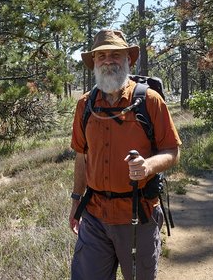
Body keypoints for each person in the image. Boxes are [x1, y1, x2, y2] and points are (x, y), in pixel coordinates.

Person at [68, 29, 182, 280]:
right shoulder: (85, 105)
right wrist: (76, 201)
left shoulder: (149, 101)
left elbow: (172, 151)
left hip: (139, 215)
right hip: (95, 216)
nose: (108, 60)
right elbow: (81, 156)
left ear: (128, 60)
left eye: (116, 55)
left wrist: (148, 166)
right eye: (102, 56)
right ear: (94, 63)